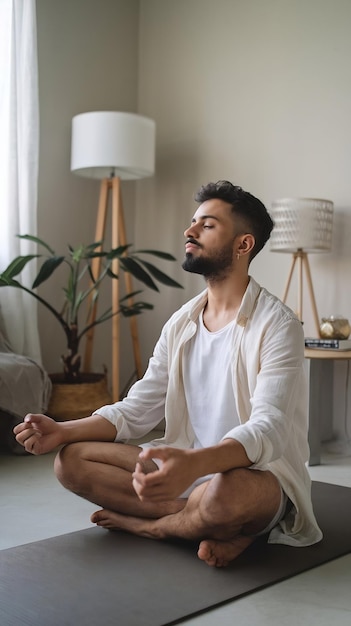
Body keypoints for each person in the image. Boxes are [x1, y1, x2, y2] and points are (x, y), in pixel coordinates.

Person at [14, 180, 322, 567]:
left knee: (228, 493)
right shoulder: (182, 322)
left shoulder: (279, 325)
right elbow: (138, 409)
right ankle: (206, 523)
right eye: (193, 223)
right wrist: (63, 430)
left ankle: (155, 527)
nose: (189, 232)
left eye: (207, 225)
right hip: (184, 473)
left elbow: (269, 429)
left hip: (251, 477)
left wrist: (197, 464)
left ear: (244, 245)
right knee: (71, 460)